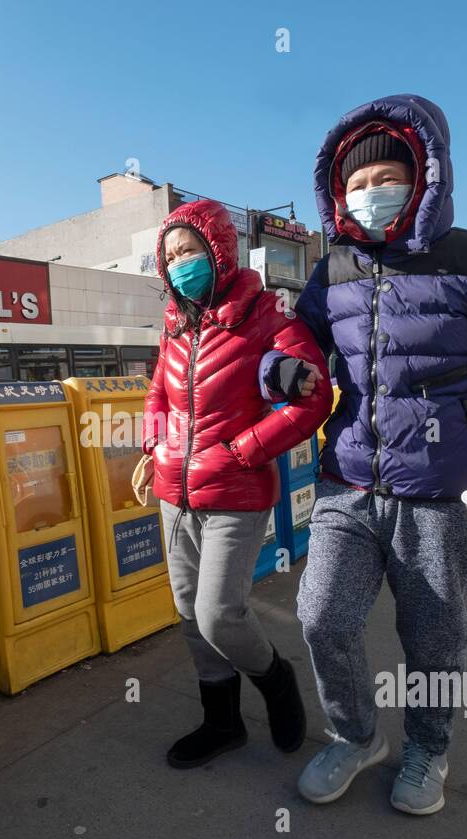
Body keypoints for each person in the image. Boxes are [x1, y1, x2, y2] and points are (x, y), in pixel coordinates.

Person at [278, 94, 467, 815]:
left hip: (444, 493)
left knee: (433, 637)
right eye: (357, 183)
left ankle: (428, 748)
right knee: (321, 617)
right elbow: (297, 346)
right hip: (348, 481)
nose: (372, 194)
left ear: (425, 176)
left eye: (388, 177)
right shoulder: (334, 268)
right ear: (336, 194)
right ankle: (353, 734)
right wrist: (278, 372)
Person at [138, 198, 332, 769]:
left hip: (236, 495)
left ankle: (275, 680)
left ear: (217, 250)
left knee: (219, 612)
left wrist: (244, 450)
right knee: (187, 613)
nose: (179, 265)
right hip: (174, 494)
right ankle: (222, 723)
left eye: (189, 251)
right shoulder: (174, 328)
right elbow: (156, 395)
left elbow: (313, 395)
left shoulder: (270, 317)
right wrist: (153, 446)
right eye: (170, 257)